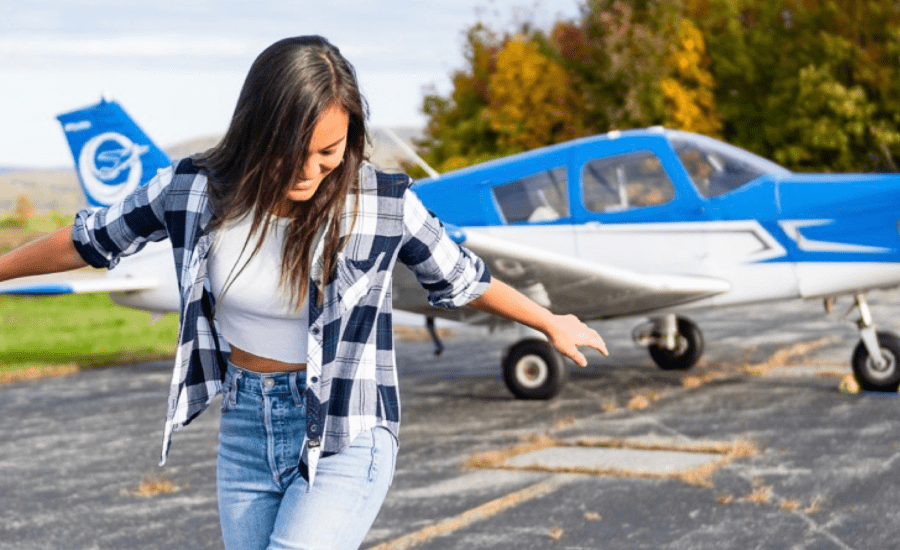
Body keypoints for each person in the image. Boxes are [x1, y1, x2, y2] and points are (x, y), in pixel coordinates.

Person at [0, 36, 608, 550]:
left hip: (347, 429)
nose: (310, 169)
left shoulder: (380, 203)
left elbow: (461, 278)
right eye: (291, 151)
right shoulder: (195, 189)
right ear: (255, 133)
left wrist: (549, 321)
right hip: (245, 426)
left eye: (328, 152)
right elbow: (88, 240)